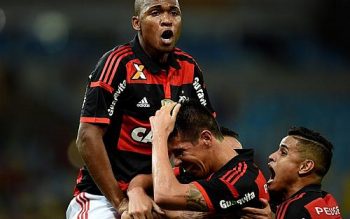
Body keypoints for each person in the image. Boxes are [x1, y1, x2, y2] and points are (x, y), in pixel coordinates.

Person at [66, 0, 215, 218]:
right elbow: (87, 137)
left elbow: (209, 139)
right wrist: (122, 203)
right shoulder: (117, 64)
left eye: (174, 12)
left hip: (163, 193)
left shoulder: (190, 69)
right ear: (137, 23)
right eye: (155, 12)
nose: (167, 19)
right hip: (104, 197)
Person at [123, 101, 269, 218]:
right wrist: (136, 192)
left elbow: (165, 194)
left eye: (180, 151)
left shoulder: (240, 180)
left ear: (206, 138)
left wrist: (159, 136)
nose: (177, 161)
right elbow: (144, 180)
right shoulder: (202, 168)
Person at [241, 127, 342, 219]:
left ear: (305, 167)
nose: (271, 156)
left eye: (283, 152)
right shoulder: (327, 201)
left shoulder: (297, 209)